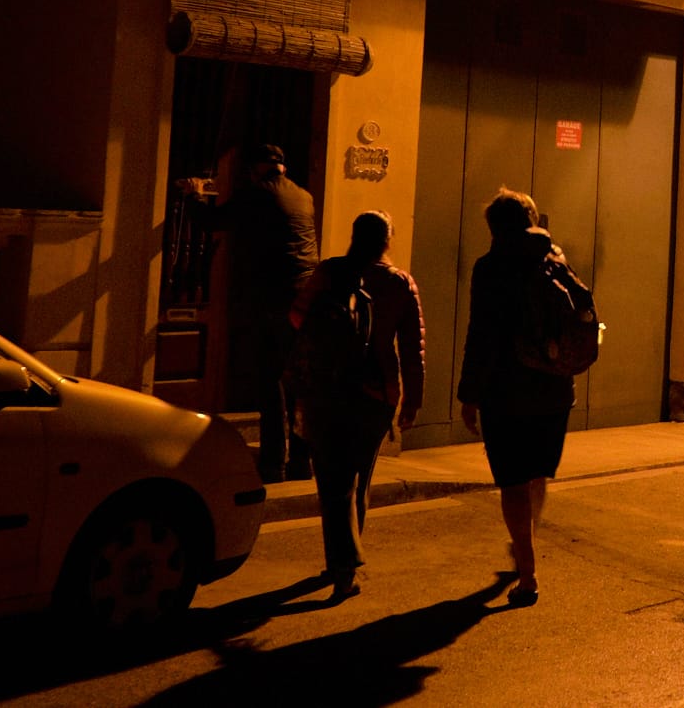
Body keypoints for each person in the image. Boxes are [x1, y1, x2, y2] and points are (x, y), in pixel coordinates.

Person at [291, 210, 425, 600]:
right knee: (357, 479)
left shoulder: (329, 272)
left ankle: (342, 563)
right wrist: (412, 401)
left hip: (325, 389)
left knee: (333, 480)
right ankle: (345, 563)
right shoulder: (400, 283)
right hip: (374, 393)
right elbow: (413, 350)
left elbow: (297, 315)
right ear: (387, 241)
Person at [457, 188, 575, 608]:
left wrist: (469, 395)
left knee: (512, 480)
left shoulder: (490, 268)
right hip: (555, 390)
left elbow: (481, 335)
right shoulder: (556, 260)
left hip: (505, 391)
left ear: (493, 226)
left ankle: (527, 574)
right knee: (537, 472)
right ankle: (525, 545)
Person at [180, 142, 321, 482]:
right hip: (307, 299)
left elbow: (212, 221)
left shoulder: (257, 194)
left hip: (274, 300)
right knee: (299, 383)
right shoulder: (303, 196)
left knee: (270, 381)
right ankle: (303, 461)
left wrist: (193, 194)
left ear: (258, 168)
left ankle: (274, 463)